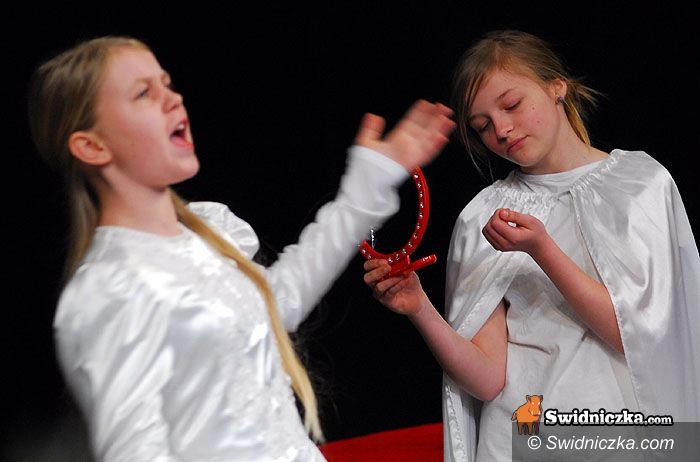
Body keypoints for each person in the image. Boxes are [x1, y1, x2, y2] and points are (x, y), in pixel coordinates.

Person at [27, 35, 455, 462]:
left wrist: (366, 186)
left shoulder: (209, 228)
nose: (173, 99)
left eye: (167, 83)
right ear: (92, 146)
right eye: (143, 93)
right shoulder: (108, 289)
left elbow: (275, 303)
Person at [363, 29, 700, 461]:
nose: (502, 130)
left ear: (556, 86)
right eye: (482, 126)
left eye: (512, 105)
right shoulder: (484, 216)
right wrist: (419, 308)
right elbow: (488, 380)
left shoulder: (639, 185)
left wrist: (542, 250)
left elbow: (636, 334)